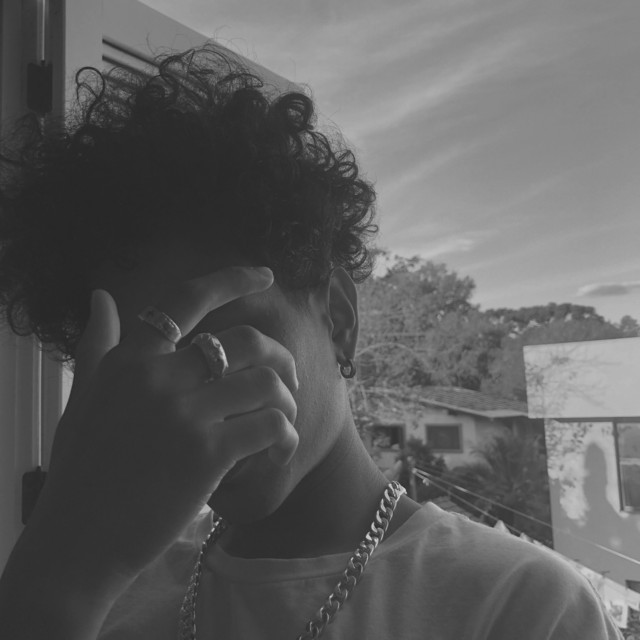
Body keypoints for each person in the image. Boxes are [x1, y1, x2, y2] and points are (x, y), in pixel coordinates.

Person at [0, 45, 622, 640]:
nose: (183, 406)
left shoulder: (521, 605)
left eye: (221, 346)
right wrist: (59, 570)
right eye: (141, 372)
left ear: (339, 320)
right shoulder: (100, 592)